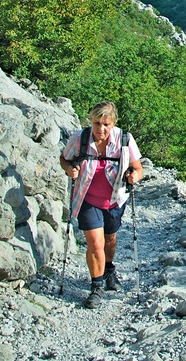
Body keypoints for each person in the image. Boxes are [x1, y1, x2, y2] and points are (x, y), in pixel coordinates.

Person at [59, 100, 143, 309]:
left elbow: (138, 168)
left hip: (115, 199)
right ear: (91, 121)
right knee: (95, 243)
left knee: (109, 240)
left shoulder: (124, 140)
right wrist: (69, 169)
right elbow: (64, 159)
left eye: (106, 124)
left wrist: (134, 176)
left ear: (113, 123)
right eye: (97, 123)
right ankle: (96, 288)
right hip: (87, 199)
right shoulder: (81, 138)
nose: (101, 129)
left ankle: (108, 268)